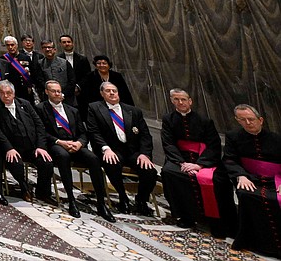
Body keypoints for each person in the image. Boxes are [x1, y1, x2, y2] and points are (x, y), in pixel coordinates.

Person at [160, 88, 235, 235]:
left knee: (218, 179)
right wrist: (182, 163)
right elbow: (168, 143)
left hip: (203, 158)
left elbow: (213, 144)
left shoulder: (204, 121)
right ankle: (186, 216)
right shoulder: (168, 119)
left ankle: (216, 220)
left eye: (183, 99)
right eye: (176, 99)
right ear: (172, 101)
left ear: (190, 101)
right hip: (179, 159)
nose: (180, 102)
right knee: (169, 173)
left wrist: (199, 164)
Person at [38, 80, 113, 220]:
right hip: (56, 144)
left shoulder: (73, 110)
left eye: (59, 91)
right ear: (47, 92)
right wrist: (60, 142)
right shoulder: (41, 108)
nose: (57, 93)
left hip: (74, 144)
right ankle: (71, 200)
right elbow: (41, 132)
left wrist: (80, 143)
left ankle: (101, 203)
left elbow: (83, 132)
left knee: (93, 159)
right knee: (63, 156)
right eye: (53, 91)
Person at [86, 81, 156, 216]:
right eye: (108, 91)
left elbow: (145, 135)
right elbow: (94, 132)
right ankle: (122, 197)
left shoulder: (133, 111)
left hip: (133, 151)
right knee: (112, 164)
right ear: (102, 93)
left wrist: (144, 154)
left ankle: (141, 200)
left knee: (150, 171)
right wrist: (105, 148)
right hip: (112, 149)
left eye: (114, 90)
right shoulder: (95, 108)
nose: (112, 93)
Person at [223, 104, 281, 256]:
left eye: (251, 119)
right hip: (248, 178)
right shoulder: (233, 137)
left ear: (260, 120)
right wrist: (240, 175)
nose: (248, 123)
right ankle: (251, 241)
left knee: (276, 199)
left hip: (275, 180)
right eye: (242, 120)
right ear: (237, 120)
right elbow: (229, 160)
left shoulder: (276, 139)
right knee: (246, 194)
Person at [0, 80, 54, 201]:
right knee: (15, 163)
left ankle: (42, 192)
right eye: (2, 93)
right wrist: (9, 148)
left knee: (46, 163)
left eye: (8, 93)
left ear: (14, 93)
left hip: (31, 146)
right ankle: (24, 187)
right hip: (11, 147)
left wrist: (41, 147)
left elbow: (39, 125)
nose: (6, 96)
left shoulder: (25, 104)